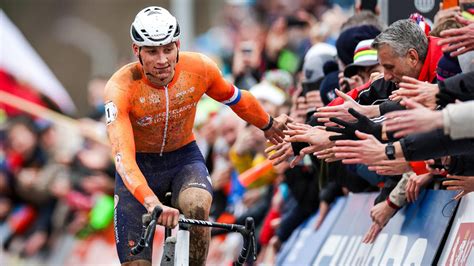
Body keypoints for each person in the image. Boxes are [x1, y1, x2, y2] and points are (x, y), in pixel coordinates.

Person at [104, 6, 285, 266]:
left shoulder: (199, 68)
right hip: (139, 168)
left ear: (178, 44)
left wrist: (269, 124)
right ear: (137, 51)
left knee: (198, 205)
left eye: (168, 49)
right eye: (152, 52)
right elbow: (123, 158)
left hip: (183, 161)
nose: (162, 59)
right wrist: (151, 202)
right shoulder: (120, 88)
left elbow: (237, 98)